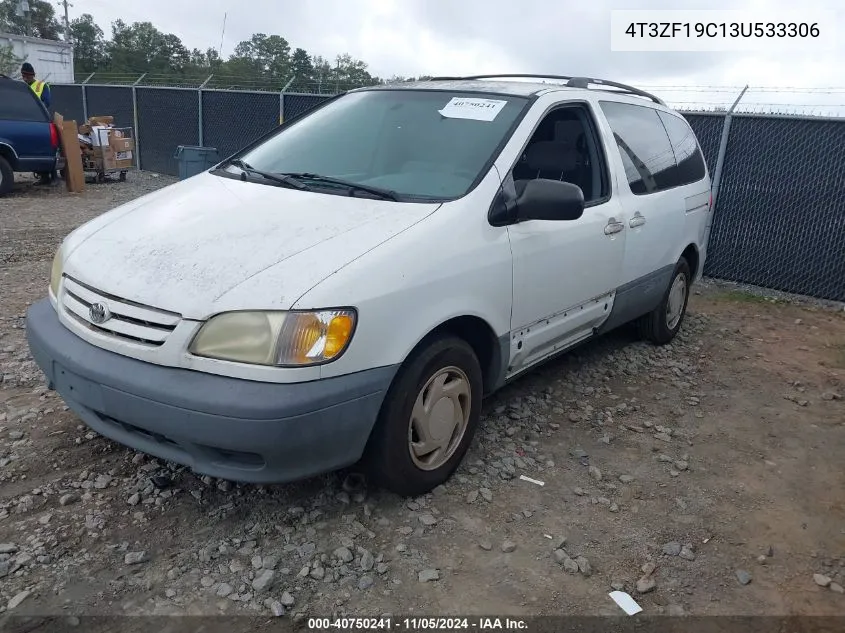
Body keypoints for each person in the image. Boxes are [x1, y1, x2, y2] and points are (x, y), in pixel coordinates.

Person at [20, 63, 56, 184]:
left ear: (32, 75)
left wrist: (34, 110)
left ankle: (54, 176)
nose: (25, 78)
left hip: (41, 120)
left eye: (27, 76)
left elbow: (46, 103)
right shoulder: (22, 87)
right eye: (24, 76)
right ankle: (44, 177)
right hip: (27, 121)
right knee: (35, 149)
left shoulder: (41, 86)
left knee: (47, 147)